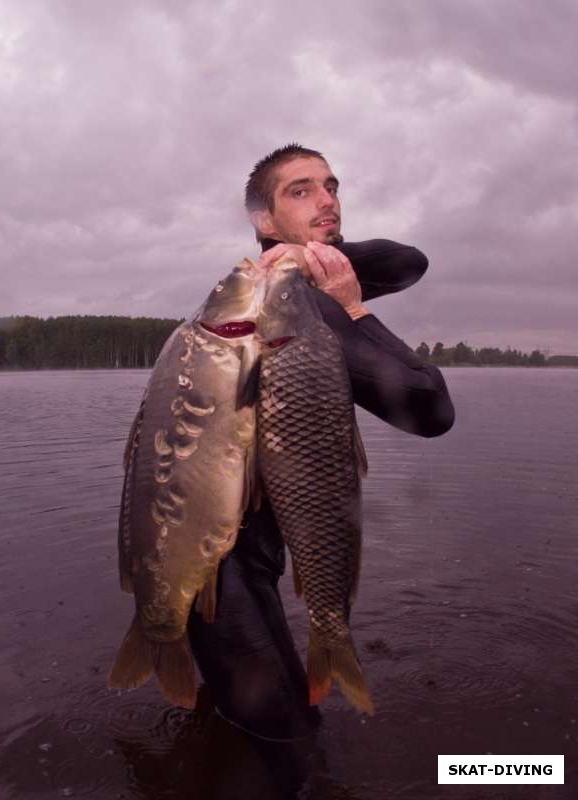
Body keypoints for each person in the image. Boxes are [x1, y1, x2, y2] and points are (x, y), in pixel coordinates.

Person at [187, 144, 455, 796]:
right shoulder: (262, 309)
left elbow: (408, 261)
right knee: (299, 761)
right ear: (264, 220)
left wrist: (319, 268)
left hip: (254, 558)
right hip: (218, 583)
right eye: (301, 191)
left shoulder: (307, 291)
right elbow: (429, 410)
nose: (329, 199)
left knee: (229, 743)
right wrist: (352, 307)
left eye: (331, 186)